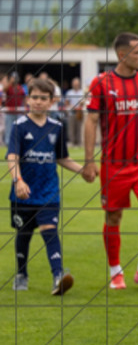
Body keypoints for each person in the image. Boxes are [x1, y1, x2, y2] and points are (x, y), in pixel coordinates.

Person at [82, 33, 138, 290]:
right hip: (114, 164)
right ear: (123, 55)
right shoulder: (101, 83)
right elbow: (91, 121)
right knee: (113, 217)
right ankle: (115, 271)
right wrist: (89, 161)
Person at [6, 78, 82, 295]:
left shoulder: (57, 127)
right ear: (28, 99)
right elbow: (13, 157)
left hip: (49, 192)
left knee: (50, 231)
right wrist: (18, 180)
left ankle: (58, 276)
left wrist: (82, 170)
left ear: (51, 102)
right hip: (23, 192)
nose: (38, 102)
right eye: (35, 97)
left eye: (43, 98)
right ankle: (21, 274)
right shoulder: (20, 126)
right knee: (24, 233)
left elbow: (62, 158)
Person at [4, 72, 25, 149]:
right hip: (9, 112)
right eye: (13, 77)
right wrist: (10, 81)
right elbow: (4, 90)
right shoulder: (9, 87)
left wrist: (24, 108)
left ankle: (18, 142)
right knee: (9, 128)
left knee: (19, 128)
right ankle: (7, 144)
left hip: (18, 111)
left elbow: (24, 97)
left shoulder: (20, 87)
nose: (14, 79)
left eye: (15, 78)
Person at [64, 77, 85, 147]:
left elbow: (83, 102)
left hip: (79, 112)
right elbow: (66, 102)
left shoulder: (82, 92)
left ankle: (79, 142)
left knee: (79, 128)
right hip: (71, 112)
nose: (76, 85)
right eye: (74, 84)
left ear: (79, 84)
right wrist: (73, 107)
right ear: (72, 84)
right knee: (71, 128)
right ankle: (72, 142)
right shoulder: (69, 92)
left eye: (77, 84)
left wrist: (79, 106)